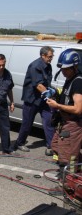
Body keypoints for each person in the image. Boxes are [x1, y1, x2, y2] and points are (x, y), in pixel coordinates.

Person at [46, 49, 82, 183]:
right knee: (56, 145)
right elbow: (67, 96)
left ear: (75, 66)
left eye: (66, 69)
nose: (63, 71)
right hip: (64, 122)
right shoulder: (70, 79)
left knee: (68, 156)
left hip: (73, 124)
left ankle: (67, 185)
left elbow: (78, 109)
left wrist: (58, 106)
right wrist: (55, 93)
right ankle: (74, 172)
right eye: (61, 68)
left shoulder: (78, 82)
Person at [13, 46, 55, 156]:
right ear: (43, 55)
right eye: (50, 57)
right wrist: (48, 94)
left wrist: (51, 89)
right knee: (27, 124)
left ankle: (51, 146)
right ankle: (20, 143)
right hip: (32, 100)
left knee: (49, 121)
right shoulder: (35, 66)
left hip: (42, 100)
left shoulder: (48, 66)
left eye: (52, 56)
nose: (51, 58)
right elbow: (38, 85)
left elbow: (46, 83)